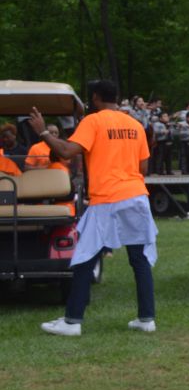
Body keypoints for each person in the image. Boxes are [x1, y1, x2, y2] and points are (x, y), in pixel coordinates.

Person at [30, 79, 157, 336]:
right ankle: (146, 318)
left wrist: (43, 132)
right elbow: (143, 168)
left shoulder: (94, 121)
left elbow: (66, 152)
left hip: (106, 199)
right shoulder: (135, 125)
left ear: (97, 98)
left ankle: (72, 321)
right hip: (136, 196)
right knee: (139, 259)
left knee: (86, 257)